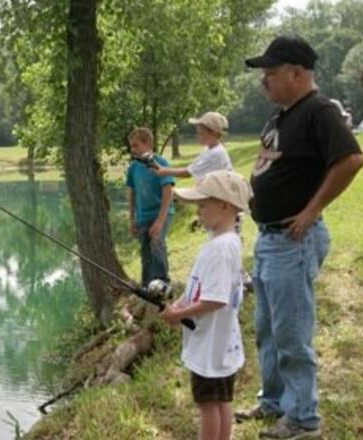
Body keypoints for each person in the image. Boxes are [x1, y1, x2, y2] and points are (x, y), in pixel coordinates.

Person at [237, 35, 363, 439]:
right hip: (269, 240)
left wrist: (312, 211)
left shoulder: (318, 112)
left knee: (292, 334)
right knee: (268, 328)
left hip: (292, 241)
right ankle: (274, 402)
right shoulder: (282, 116)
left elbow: (351, 159)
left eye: (270, 74)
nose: (264, 82)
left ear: (296, 73)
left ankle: (303, 418)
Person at [161, 169, 252, 440]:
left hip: (211, 345)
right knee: (222, 400)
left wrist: (180, 314)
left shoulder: (220, 249)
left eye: (202, 205)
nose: (197, 211)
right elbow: (199, 287)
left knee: (207, 405)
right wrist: (178, 305)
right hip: (222, 343)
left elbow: (215, 298)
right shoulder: (227, 242)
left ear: (225, 205)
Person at [126, 127, 175, 285]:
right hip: (143, 216)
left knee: (156, 243)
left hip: (161, 212)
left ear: (147, 144)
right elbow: (132, 193)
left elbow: (168, 192)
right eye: (131, 146)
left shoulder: (160, 163)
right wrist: (132, 218)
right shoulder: (133, 167)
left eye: (136, 145)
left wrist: (160, 221)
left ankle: (162, 283)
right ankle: (146, 284)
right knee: (145, 250)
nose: (132, 150)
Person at [150, 111, 233, 180]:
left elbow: (188, 173)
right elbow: (191, 167)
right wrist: (163, 168)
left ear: (214, 133)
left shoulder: (216, 153)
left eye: (201, 133)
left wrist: (164, 171)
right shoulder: (209, 149)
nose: (198, 136)